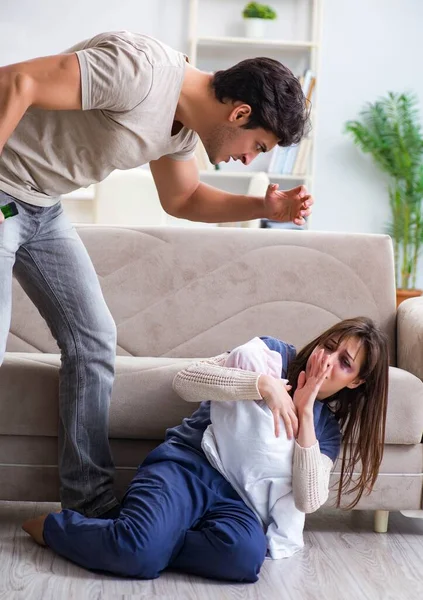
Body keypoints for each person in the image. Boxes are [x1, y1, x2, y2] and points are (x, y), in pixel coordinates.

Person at [0, 31, 313, 518]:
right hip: (2, 188)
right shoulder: (140, 71)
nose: (251, 159)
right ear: (239, 113)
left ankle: (88, 507)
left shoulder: (183, 127)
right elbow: (16, 80)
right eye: (258, 145)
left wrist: (263, 204)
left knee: (94, 338)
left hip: (43, 207)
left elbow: (183, 199)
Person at [22, 317, 389, 583]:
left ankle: (150, 533)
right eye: (330, 345)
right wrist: (260, 384)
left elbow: (309, 499)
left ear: (355, 382)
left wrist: (305, 412)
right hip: (187, 467)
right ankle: (57, 528)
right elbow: (188, 380)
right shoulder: (270, 355)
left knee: (245, 559)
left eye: (344, 362)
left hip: (238, 503)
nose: (327, 360)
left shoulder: (325, 429)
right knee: (137, 556)